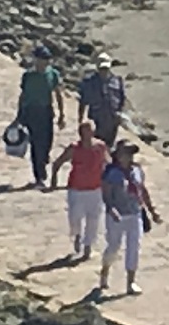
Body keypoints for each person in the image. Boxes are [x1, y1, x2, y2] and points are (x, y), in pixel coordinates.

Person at [94, 140, 158, 298]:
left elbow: (142, 190)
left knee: (134, 247)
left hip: (134, 213)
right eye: (125, 153)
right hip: (117, 215)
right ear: (118, 155)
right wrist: (111, 208)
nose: (128, 157)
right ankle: (105, 270)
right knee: (114, 247)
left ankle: (131, 281)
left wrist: (152, 210)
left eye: (130, 153)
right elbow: (106, 193)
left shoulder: (137, 171)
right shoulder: (111, 172)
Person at [49, 119, 109, 262]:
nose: (87, 136)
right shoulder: (74, 148)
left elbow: (108, 163)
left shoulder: (100, 147)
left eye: (89, 132)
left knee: (93, 219)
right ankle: (77, 235)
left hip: (95, 189)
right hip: (77, 190)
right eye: (84, 132)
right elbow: (57, 163)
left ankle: (87, 246)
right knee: (75, 217)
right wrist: (54, 180)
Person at [17, 46, 65, 190]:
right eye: (42, 59)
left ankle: (43, 160)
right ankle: (39, 175)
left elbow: (58, 94)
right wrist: (19, 114)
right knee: (36, 144)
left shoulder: (53, 74)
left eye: (47, 59)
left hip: (46, 111)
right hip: (31, 112)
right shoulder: (28, 76)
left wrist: (62, 114)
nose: (45, 62)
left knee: (47, 142)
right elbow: (23, 95)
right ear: (36, 59)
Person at [77, 57, 127, 143]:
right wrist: (80, 118)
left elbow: (122, 98)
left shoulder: (117, 80)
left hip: (112, 118)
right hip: (96, 117)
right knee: (96, 143)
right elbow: (83, 100)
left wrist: (119, 113)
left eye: (106, 68)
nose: (104, 71)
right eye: (102, 69)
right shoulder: (90, 82)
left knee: (110, 143)